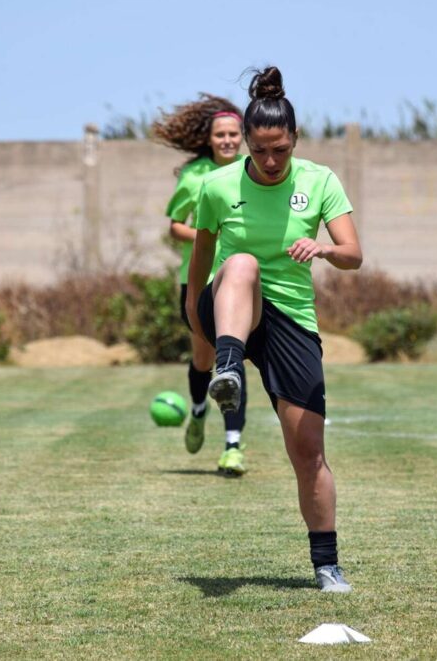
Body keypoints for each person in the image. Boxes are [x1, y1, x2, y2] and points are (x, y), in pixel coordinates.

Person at [186, 66, 363, 593]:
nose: (269, 161)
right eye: (259, 150)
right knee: (240, 263)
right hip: (231, 308)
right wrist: (198, 325)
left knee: (307, 450)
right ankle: (228, 367)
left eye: (280, 150)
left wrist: (325, 248)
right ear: (245, 141)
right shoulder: (217, 186)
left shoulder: (320, 180)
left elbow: (354, 255)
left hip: (290, 317)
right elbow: (200, 265)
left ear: (294, 142)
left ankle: (327, 564)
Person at [151, 94, 250, 476]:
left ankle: (233, 447)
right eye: (220, 134)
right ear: (209, 139)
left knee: (232, 361)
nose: (227, 140)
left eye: (233, 134)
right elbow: (175, 225)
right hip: (197, 282)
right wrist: (206, 237)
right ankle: (197, 412)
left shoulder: (254, 168)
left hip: (239, 283)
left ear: (242, 137)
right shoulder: (194, 176)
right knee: (204, 361)